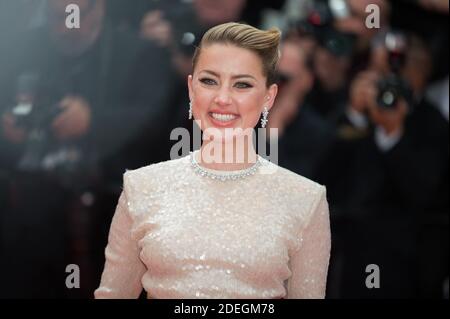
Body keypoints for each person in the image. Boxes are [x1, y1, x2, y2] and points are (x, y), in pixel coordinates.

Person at [95, 22, 331, 299]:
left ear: (268, 97)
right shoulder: (141, 187)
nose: (222, 99)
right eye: (209, 81)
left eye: (241, 84)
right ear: (192, 89)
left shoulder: (305, 199)